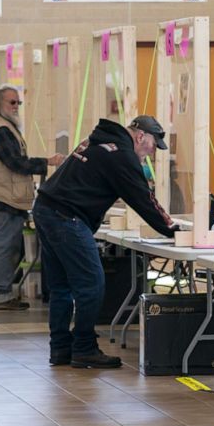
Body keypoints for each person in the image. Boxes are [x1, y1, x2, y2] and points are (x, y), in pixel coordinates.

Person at [34, 116, 177, 369]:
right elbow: (142, 197)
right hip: (67, 217)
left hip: (47, 208)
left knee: (61, 287)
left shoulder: (97, 141)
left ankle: (60, 349)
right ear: (140, 136)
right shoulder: (121, 154)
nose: (153, 151)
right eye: (153, 144)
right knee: (92, 284)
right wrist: (171, 229)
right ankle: (84, 348)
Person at [0, 84, 64, 310]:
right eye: (12, 102)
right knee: (4, 247)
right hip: (3, 197)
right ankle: (1, 294)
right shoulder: (1, 129)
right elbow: (15, 163)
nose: (17, 107)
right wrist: (47, 162)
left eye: (18, 103)